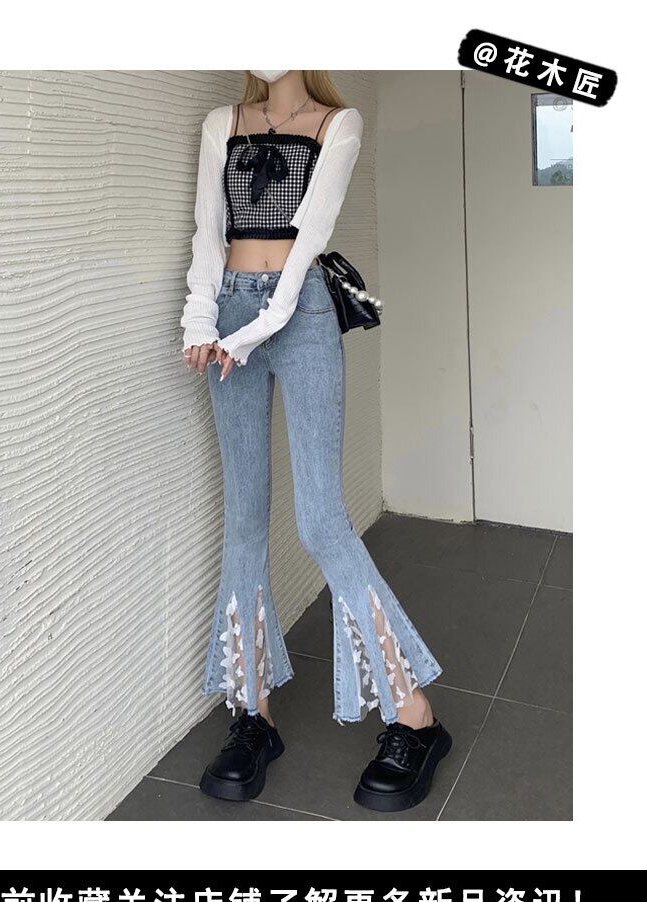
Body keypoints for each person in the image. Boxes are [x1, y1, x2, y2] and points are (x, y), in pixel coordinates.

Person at [180, 71, 451, 813]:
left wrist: (255, 329)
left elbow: (309, 242)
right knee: (244, 519)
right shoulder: (222, 122)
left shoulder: (340, 123)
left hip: (297, 318)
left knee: (321, 520)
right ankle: (253, 714)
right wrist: (201, 320)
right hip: (228, 313)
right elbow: (209, 232)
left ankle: (415, 716)